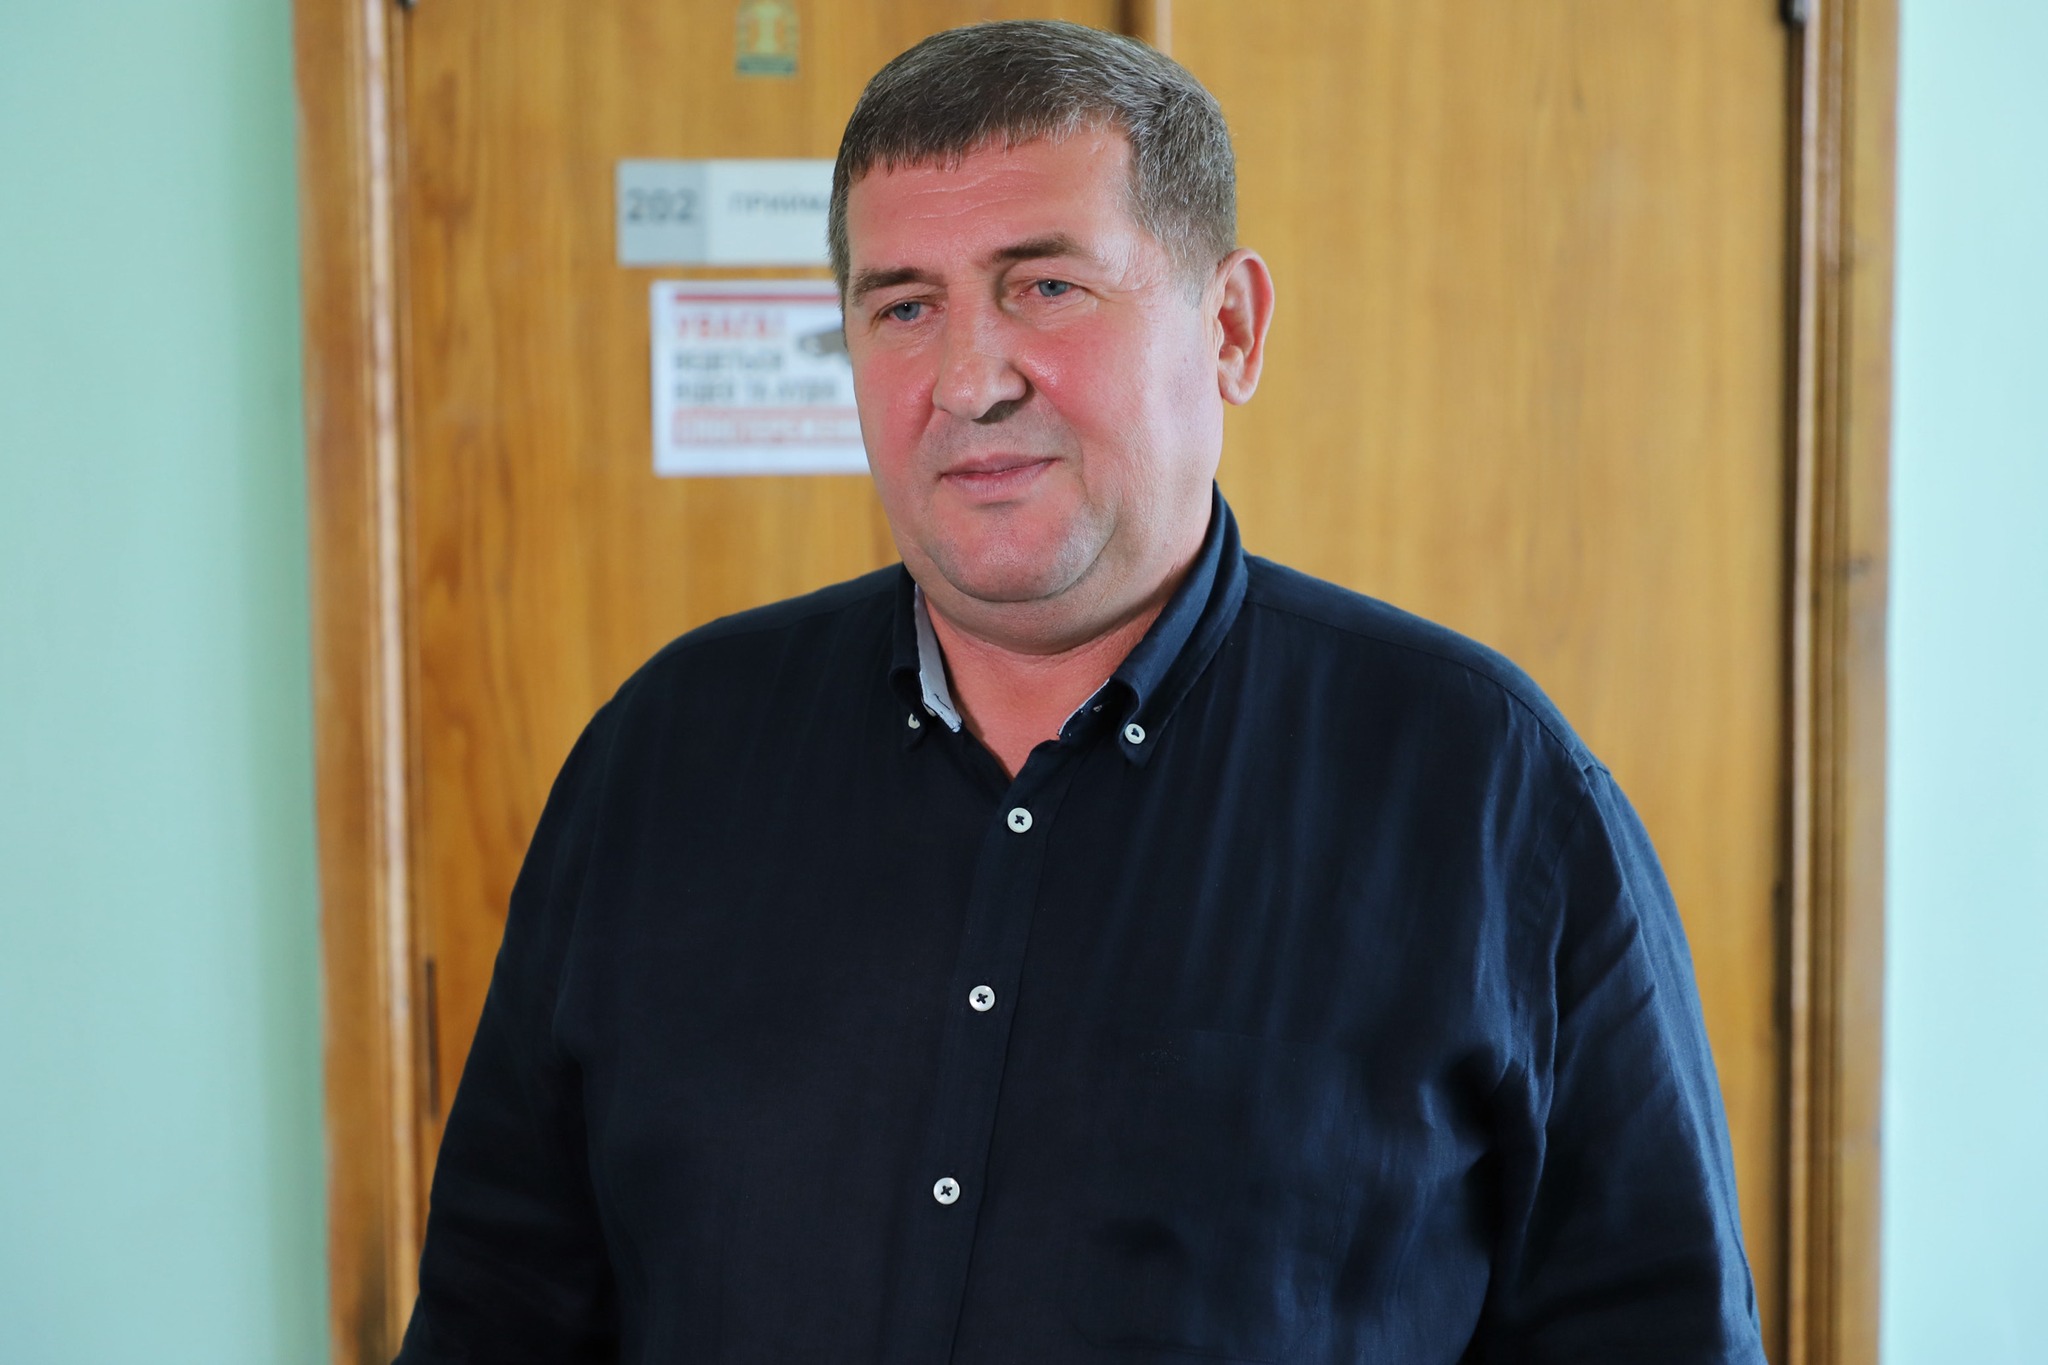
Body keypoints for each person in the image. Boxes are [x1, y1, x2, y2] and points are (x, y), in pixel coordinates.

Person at [396, 20, 1766, 1364]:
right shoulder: (663, 760)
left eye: (1046, 287)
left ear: (1230, 328)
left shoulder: (1491, 796)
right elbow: (495, 1320)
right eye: (904, 307)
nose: (969, 382)